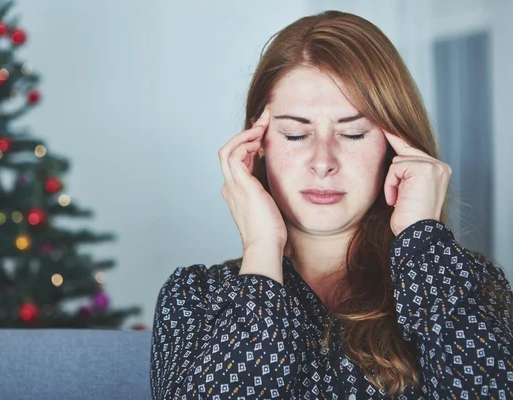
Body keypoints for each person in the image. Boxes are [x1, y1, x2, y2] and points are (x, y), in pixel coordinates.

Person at [150, 10, 513, 399]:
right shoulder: (194, 296)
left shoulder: (462, 282)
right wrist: (261, 251)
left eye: (354, 133)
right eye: (294, 134)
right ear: (257, 147)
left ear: (396, 147)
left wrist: (422, 240)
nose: (323, 162)